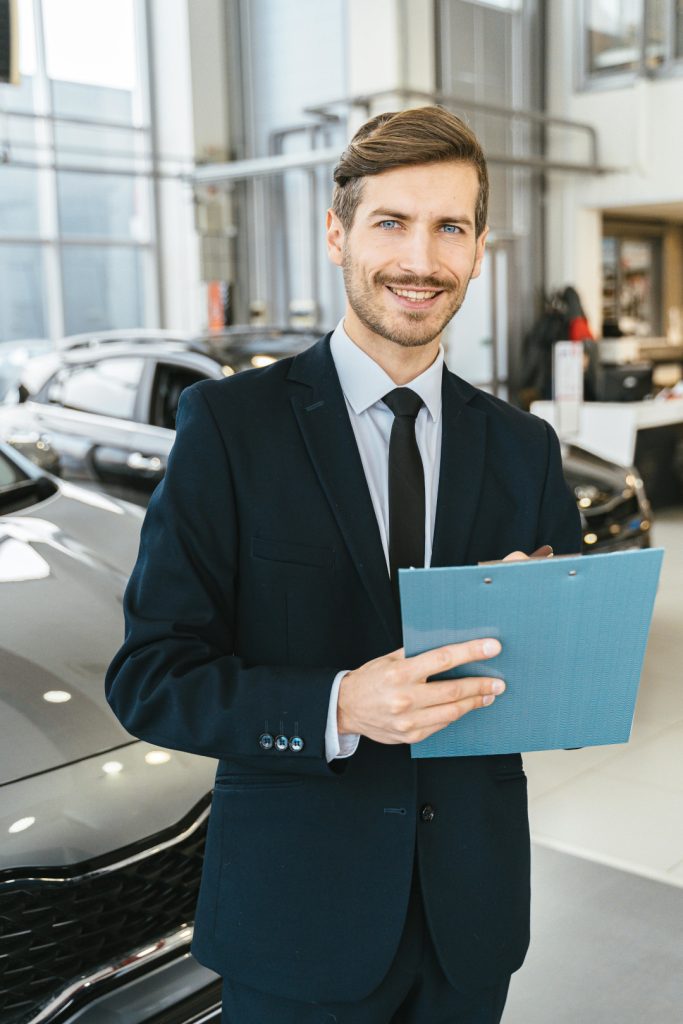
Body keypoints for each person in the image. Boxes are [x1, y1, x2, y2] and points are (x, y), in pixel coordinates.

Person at [105, 107, 581, 1023]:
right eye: (390, 223)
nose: (419, 259)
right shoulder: (228, 430)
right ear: (337, 234)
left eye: (449, 227)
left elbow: (553, 686)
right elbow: (152, 679)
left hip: (468, 921)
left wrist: (550, 636)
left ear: (479, 249)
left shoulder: (524, 448)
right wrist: (340, 706)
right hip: (294, 919)